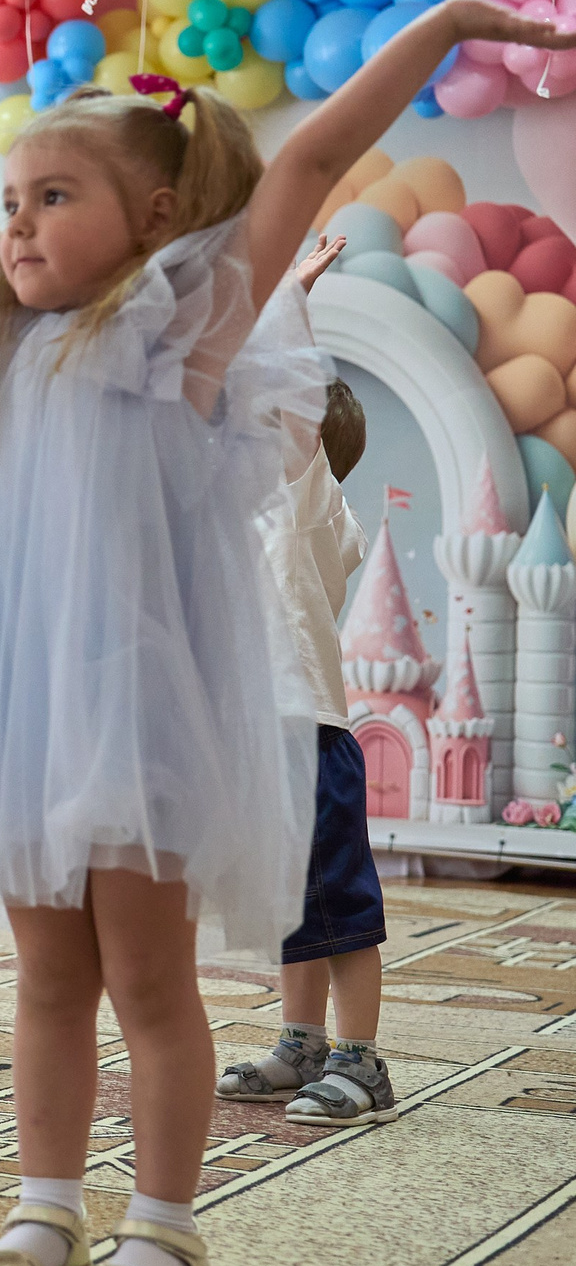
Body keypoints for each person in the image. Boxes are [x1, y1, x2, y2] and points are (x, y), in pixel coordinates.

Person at [0, 0, 576, 1266]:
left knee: (149, 983)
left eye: (53, 196)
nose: (16, 224)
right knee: (49, 980)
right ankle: (47, 1203)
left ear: (161, 212)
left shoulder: (178, 340)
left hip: (138, 717)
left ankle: (168, 1230)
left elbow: (302, 165)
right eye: (15, 198)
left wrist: (452, 23)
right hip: (17, 720)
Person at [219, 365, 397, 1125]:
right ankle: (303, 1044)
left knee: (339, 905)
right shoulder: (255, 517)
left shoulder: (310, 511)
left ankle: (362, 1058)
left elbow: (294, 437)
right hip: (261, 742)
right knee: (295, 908)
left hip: (308, 740)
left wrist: (287, 309)